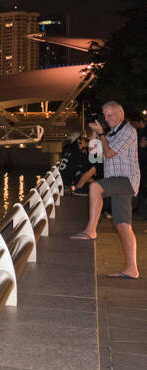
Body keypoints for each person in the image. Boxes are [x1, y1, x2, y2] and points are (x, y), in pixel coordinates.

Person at [71, 101, 141, 279]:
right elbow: (95, 156)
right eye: (105, 115)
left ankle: (91, 230)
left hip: (126, 180)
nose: (107, 118)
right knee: (123, 226)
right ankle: (132, 269)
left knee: (95, 187)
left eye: (111, 115)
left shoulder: (128, 131)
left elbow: (109, 154)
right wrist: (95, 131)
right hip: (116, 182)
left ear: (121, 115)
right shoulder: (109, 134)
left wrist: (102, 135)